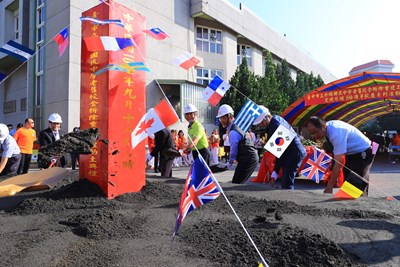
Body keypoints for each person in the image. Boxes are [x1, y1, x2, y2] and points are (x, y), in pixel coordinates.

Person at [305, 116, 374, 195]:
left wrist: (329, 187)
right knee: (347, 182)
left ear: (323, 126)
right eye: (312, 134)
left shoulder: (336, 133)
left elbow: (338, 163)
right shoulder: (328, 130)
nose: (315, 136)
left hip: (363, 152)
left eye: (316, 132)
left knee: (356, 184)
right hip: (351, 153)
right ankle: (349, 203)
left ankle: (360, 204)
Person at [253, 106, 306, 189]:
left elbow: (279, 152)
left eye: (261, 122)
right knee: (286, 178)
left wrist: (275, 172)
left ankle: (288, 197)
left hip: (294, 153)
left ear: (267, 117)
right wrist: (275, 172)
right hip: (289, 152)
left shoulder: (276, 127)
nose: (260, 125)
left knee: (286, 182)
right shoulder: (275, 119)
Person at [216, 104, 258, 184]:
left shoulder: (233, 132)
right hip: (248, 158)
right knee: (237, 182)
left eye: (223, 118)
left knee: (236, 182)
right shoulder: (238, 126)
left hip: (248, 158)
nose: (221, 121)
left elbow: (234, 148)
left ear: (230, 117)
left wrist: (230, 163)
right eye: (220, 118)